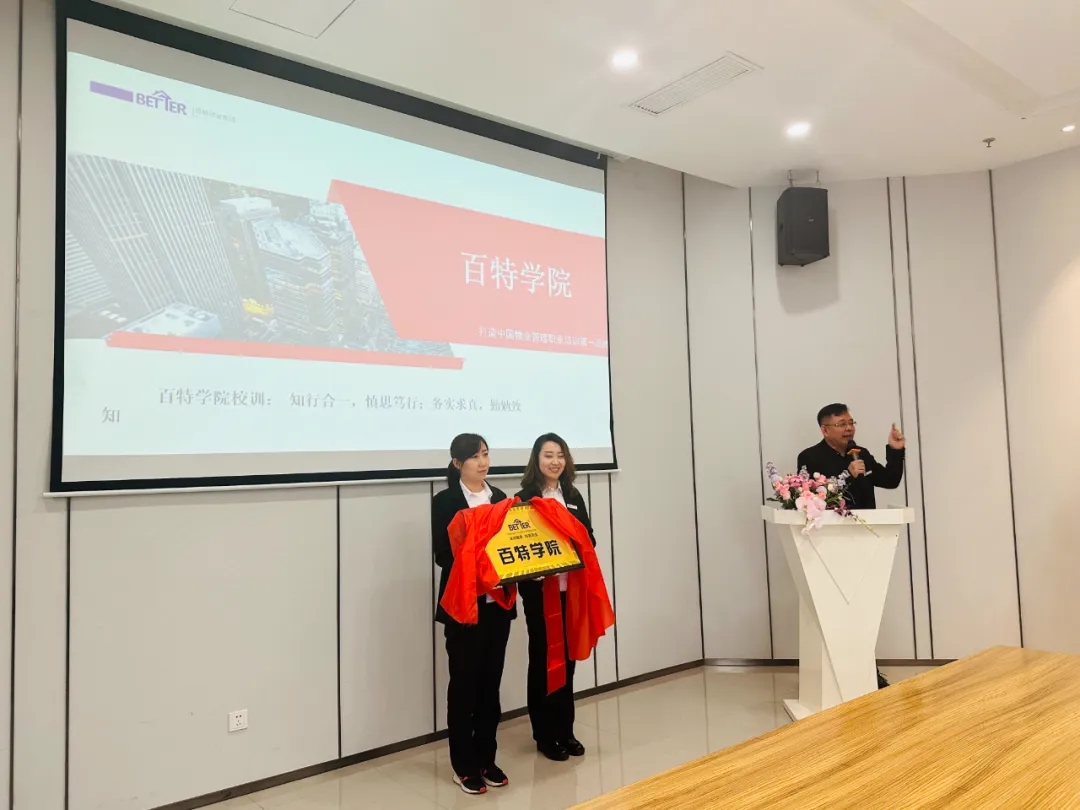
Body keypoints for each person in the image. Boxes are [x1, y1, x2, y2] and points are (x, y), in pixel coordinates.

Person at [797, 403, 906, 689]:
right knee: (836, 611)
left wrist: (895, 451)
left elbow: (890, 481)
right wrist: (846, 474)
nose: (849, 429)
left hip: (865, 538)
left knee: (863, 609)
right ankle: (836, 676)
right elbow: (810, 496)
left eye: (851, 422)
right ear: (825, 430)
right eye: (841, 424)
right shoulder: (810, 457)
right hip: (829, 543)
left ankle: (867, 673)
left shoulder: (861, 453)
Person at [432, 433, 515, 795]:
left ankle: (486, 758)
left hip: (498, 606)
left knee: (490, 686)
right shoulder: (445, 501)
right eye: (474, 457)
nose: (483, 462)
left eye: (485, 454)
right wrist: (479, 562)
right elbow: (443, 555)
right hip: (463, 607)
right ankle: (463, 765)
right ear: (457, 463)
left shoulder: (501, 498)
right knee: (464, 685)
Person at [515, 433, 596, 762]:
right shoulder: (524, 498)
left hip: (570, 590)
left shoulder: (572, 495)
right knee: (543, 661)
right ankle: (545, 734)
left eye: (560, 455)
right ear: (536, 460)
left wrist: (574, 539)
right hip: (540, 593)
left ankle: (565, 730)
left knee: (569, 661)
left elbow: (589, 537)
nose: (555, 461)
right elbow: (517, 547)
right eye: (548, 455)